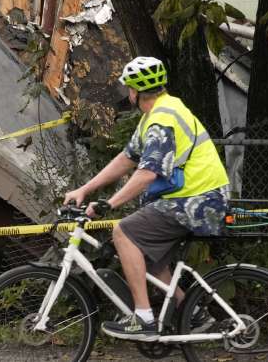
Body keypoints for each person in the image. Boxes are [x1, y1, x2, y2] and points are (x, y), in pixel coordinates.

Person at [63, 56, 231, 341]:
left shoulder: (162, 120)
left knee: (124, 232)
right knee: (146, 253)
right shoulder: (157, 114)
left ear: (135, 91)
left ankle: (143, 318)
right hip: (193, 197)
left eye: (128, 87)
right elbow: (127, 158)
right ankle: (190, 311)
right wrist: (85, 190)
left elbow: (147, 174)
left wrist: (109, 204)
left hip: (200, 201)